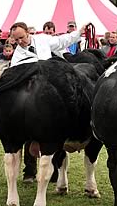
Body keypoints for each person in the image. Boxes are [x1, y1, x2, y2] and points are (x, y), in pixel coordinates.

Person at [9, 21, 86, 182]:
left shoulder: (43, 39)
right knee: (30, 133)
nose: (20, 42)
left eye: (21, 38)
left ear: (28, 33)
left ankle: (54, 171)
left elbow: (62, 41)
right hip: (32, 97)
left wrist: (79, 33)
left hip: (50, 93)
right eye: (16, 40)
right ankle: (29, 172)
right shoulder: (16, 57)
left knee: (55, 133)